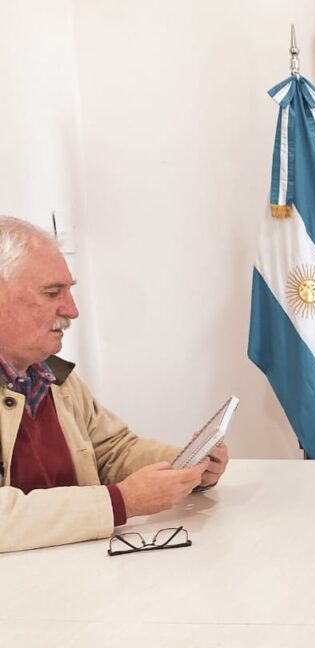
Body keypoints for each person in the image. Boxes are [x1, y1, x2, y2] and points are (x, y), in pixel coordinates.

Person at [0, 216, 228, 552]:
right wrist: (119, 502)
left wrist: (185, 465)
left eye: (69, 291)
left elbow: (113, 452)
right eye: (52, 293)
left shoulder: (53, 376)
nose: (72, 310)